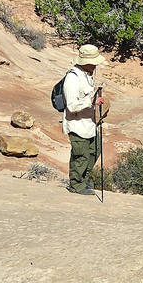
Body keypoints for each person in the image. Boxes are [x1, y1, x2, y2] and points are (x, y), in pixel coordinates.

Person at [61, 45, 108, 195]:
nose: (95, 65)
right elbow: (72, 105)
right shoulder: (72, 78)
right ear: (84, 61)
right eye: (93, 62)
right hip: (76, 124)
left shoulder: (87, 75)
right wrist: (92, 102)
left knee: (95, 150)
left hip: (89, 124)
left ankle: (84, 179)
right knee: (80, 156)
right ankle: (76, 185)